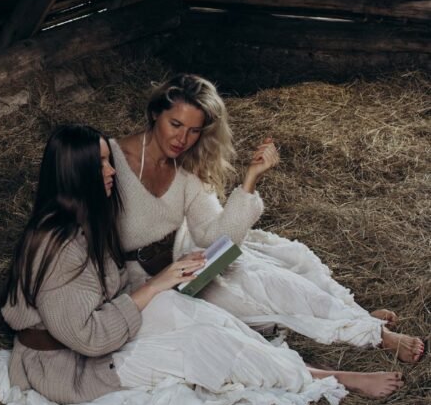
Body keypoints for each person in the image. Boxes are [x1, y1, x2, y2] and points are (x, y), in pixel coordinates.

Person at [0, 124, 403, 405]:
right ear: (74, 175)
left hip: (98, 333)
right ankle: (328, 377)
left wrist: (170, 280)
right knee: (200, 343)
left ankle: (313, 355)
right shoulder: (59, 246)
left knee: (188, 310)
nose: (111, 170)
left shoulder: (88, 219)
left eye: (108, 160)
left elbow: (109, 291)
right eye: (99, 165)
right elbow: (89, 339)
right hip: (71, 368)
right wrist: (155, 285)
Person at [111, 73, 424, 365]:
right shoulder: (109, 162)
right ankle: (360, 327)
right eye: (175, 124)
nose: (182, 138)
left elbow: (212, 237)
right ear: (155, 113)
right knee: (241, 314)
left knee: (272, 283)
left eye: (194, 130)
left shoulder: (188, 165)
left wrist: (250, 180)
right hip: (139, 284)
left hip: (187, 265)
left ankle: (368, 326)